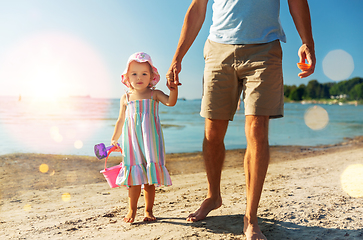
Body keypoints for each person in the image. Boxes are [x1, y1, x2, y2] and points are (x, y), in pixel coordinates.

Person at [166, 0, 315, 239]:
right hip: (218, 49)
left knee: (257, 129)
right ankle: (213, 196)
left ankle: (251, 217)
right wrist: (178, 56)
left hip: (264, 49)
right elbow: (197, 8)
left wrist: (307, 41)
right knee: (212, 132)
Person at [111, 52, 178, 223]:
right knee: (133, 179)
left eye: (144, 74)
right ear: (127, 77)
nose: (139, 77)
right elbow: (120, 120)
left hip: (150, 142)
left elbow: (170, 102)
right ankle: (132, 210)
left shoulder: (154, 94)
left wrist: (174, 89)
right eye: (134, 73)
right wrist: (114, 139)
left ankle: (148, 211)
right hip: (132, 142)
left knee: (149, 179)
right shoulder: (126, 98)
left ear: (151, 77)